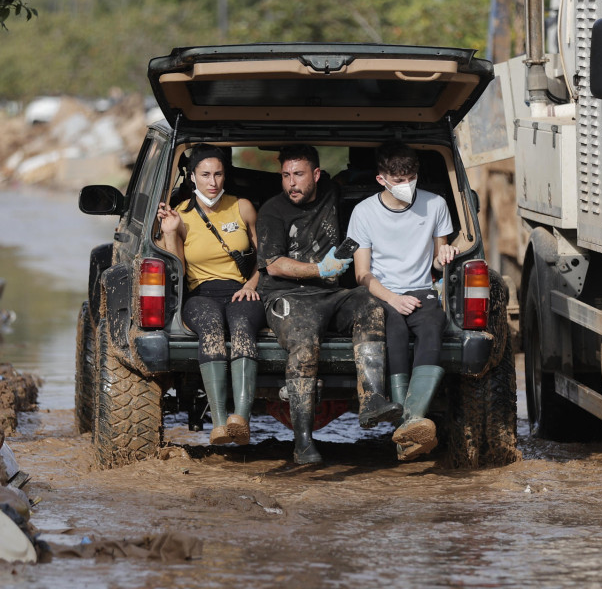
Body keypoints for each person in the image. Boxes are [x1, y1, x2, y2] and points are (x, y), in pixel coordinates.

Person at [257, 144, 402, 465]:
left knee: (369, 301)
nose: (291, 183)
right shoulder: (272, 210)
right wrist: (318, 270)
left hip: (331, 296)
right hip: (287, 296)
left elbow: (364, 181)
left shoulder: (333, 192)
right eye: (285, 176)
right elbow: (273, 264)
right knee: (305, 345)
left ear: (317, 175)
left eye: (298, 175)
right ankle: (303, 442)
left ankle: (372, 399)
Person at [347, 141, 458, 461]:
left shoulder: (435, 204)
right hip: (382, 294)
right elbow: (362, 274)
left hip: (422, 291)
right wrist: (393, 299)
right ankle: (408, 427)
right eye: (398, 180)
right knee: (392, 334)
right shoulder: (364, 212)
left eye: (410, 178)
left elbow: (439, 260)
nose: (406, 185)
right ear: (381, 179)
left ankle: (410, 426)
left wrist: (445, 254)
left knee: (432, 331)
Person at [157, 143, 265, 446]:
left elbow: (266, 257)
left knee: (244, 328)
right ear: (193, 177)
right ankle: (218, 423)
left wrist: (251, 285)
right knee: (211, 328)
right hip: (200, 294)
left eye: (218, 174)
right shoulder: (180, 215)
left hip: (242, 291)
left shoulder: (242, 206)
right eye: (205, 175)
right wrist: (170, 231)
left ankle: (240, 419)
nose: (212, 181)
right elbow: (176, 266)